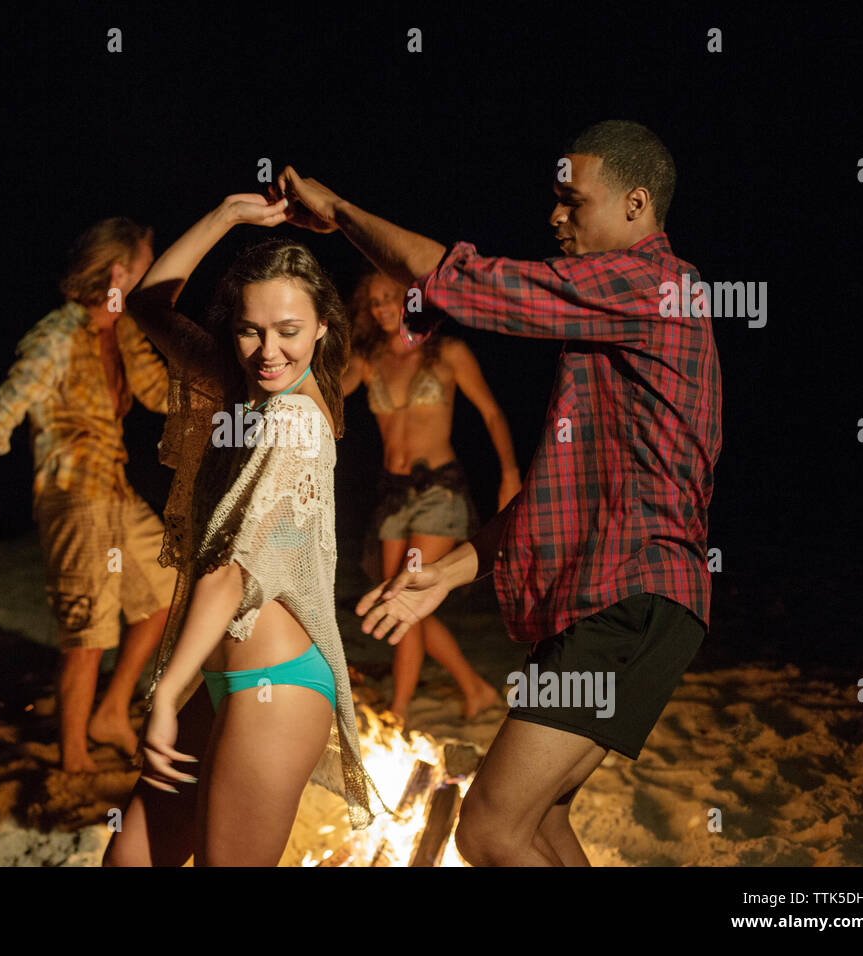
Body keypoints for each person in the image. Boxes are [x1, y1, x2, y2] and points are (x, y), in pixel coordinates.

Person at [281, 119, 722, 866]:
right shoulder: (615, 318)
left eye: (571, 200)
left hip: (630, 596)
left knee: (486, 829)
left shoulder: (654, 284)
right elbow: (563, 496)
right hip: (613, 599)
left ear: (637, 204)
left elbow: (470, 284)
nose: (554, 217)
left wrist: (342, 214)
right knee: (538, 825)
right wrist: (447, 574)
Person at [102, 193, 383, 866]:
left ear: (322, 326)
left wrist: (166, 691)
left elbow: (233, 570)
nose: (268, 350)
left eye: (288, 329)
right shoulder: (239, 389)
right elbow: (145, 306)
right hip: (228, 679)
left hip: (279, 688)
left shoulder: (296, 423)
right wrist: (225, 217)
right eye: (250, 330)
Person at [0, 217, 176, 774]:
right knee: (88, 630)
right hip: (73, 496)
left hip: (114, 488)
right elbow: (5, 408)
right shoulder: (56, 336)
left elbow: (161, 394)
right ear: (118, 270)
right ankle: (73, 761)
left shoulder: (126, 329)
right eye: (144, 263)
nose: (151, 272)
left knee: (164, 592)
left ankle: (111, 712)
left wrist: (239, 392)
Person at [343, 269, 521, 720]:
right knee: (397, 600)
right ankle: (475, 688)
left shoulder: (448, 351)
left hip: (439, 492)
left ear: (413, 300)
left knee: (404, 600)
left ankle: (399, 711)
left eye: (391, 298)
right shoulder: (370, 359)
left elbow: (494, 413)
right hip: (393, 493)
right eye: (375, 300)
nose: (383, 308)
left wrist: (509, 475)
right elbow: (327, 390)